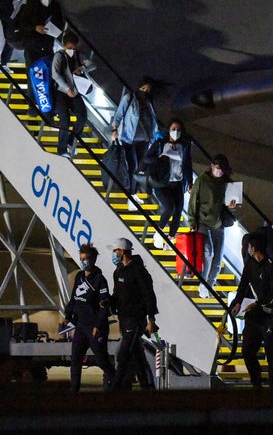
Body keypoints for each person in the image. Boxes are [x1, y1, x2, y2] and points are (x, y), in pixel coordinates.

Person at [62, 243, 116, 392]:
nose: (83, 262)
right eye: (81, 258)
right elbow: (74, 299)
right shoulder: (79, 277)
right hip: (81, 326)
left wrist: (98, 325)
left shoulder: (100, 280)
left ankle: (117, 383)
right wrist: (68, 316)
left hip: (94, 327)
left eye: (86, 259)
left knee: (101, 360)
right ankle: (74, 390)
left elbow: (104, 306)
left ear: (92, 260)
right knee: (75, 359)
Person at [229, 233, 273, 388]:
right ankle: (256, 384)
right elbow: (243, 285)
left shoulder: (271, 266)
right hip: (253, 315)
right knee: (247, 351)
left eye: (249, 246)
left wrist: (258, 303)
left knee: (271, 354)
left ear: (254, 247)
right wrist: (237, 302)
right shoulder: (250, 264)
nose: (248, 249)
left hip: (268, 316)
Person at [108, 237, 159, 390]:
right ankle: (147, 387)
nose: (113, 254)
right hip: (123, 319)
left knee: (123, 355)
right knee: (137, 356)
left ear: (121, 251)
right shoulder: (118, 272)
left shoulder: (139, 271)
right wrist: (107, 303)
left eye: (114, 251)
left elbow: (149, 294)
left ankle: (116, 388)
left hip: (135, 319)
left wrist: (151, 319)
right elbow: (116, 294)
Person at [187, 153, 237, 298]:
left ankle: (208, 284)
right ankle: (203, 282)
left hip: (218, 223)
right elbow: (193, 200)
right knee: (208, 252)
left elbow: (228, 205)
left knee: (218, 257)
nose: (219, 172)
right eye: (216, 168)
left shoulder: (226, 183)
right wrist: (192, 221)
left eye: (221, 169)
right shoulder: (202, 180)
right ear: (211, 167)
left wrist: (232, 206)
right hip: (202, 221)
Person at [141, 118, 193, 250]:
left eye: (178, 130)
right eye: (173, 129)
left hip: (178, 182)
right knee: (169, 207)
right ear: (168, 130)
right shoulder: (160, 143)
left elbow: (187, 164)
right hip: (162, 182)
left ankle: (170, 238)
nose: (176, 132)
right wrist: (160, 157)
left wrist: (190, 182)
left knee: (178, 210)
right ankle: (158, 232)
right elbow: (146, 157)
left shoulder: (184, 146)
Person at [16, 0, 64, 117]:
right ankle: (32, 108)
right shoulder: (31, 5)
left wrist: (54, 29)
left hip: (47, 45)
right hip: (33, 46)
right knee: (33, 78)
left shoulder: (54, 6)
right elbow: (22, 23)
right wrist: (35, 28)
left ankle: (49, 109)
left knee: (48, 77)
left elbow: (60, 22)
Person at [110, 78, 159, 206]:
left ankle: (133, 192)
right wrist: (114, 130)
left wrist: (154, 138)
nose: (145, 92)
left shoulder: (150, 102)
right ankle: (131, 195)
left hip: (144, 140)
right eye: (143, 89)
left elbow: (153, 121)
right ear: (138, 87)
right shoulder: (129, 98)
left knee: (139, 168)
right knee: (134, 165)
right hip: (129, 138)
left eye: (148, 90)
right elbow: (119, 114)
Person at [51, 30, 87, 158]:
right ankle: (61, 149)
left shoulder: (77, 56)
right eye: (70, 47)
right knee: (65, 121)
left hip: (76, 91)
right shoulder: (59, 56)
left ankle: (71, 142)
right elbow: (55, 74)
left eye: (74, 47)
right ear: (65, 45)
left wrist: (81, 68)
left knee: (82, 117)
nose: (72, 49)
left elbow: (91, 64)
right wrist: (66, 88)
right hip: (62, 93)